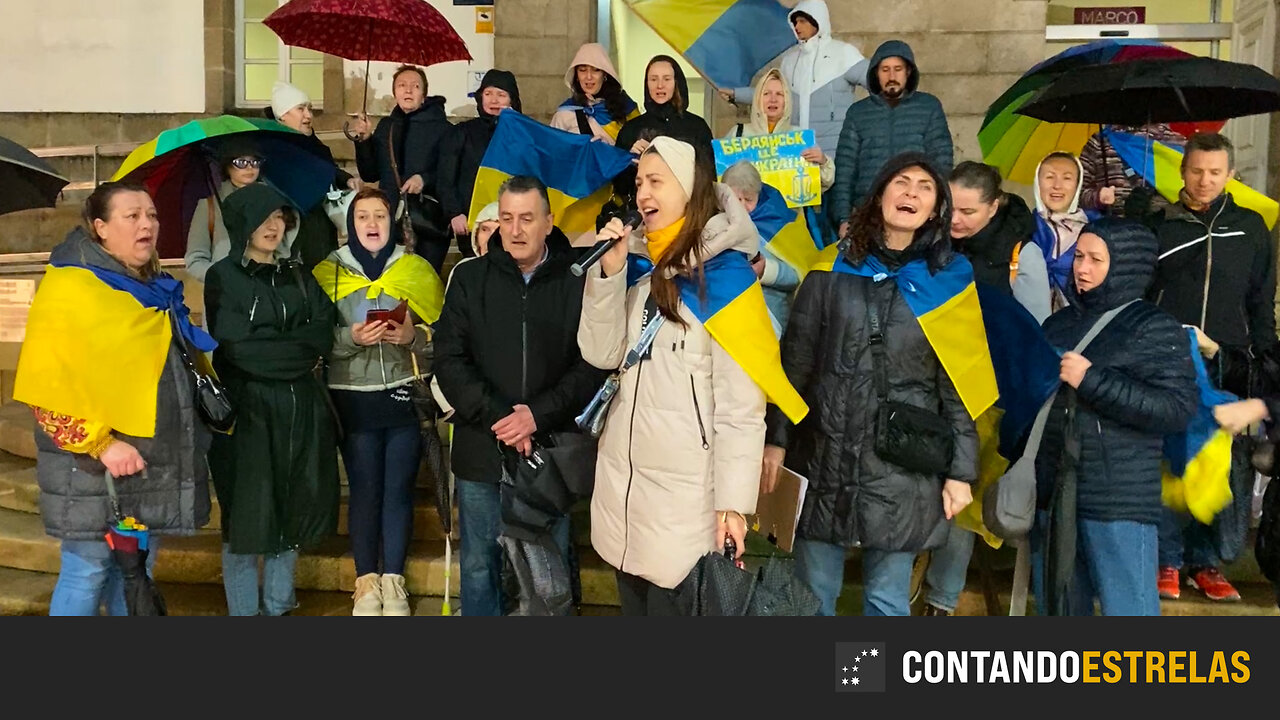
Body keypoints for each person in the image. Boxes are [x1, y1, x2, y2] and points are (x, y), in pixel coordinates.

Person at [762, 152, 977, 617]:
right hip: (825, 455)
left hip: (904, 464)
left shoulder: (950, 281)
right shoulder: (827, 271)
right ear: (879, 194)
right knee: (813, 596)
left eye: (925, 187)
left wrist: (961, 470)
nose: (911, 194)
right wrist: (775, 441)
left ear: (937, 207)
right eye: (901, 182)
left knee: (886, 600)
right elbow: (796, 362)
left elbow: (959, 383)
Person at [580, 137, 773, 615]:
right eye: (640, 182)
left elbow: (742, 410)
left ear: (688, 190)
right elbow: (602, 353)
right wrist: (607, 275)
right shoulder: (646, 274)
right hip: (624, 501)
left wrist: (733, 506)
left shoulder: (727, 281)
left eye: (656, 181)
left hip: (685, 512)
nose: (643, 192)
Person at [13, 181, 213, 615]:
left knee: (136, 574)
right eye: (133, 216)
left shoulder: (155, 287)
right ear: (100, 228)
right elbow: (45, 388)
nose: (148, 224)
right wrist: (103, 444)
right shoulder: (71, 289)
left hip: (151, 461)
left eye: (153, 215)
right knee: (86, 573)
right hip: (92, 467)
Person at [433, 176, 607, 616]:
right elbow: (450, 361)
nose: (515, 230)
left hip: (548, 454)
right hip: (481, 448)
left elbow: (591, 364)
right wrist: (504, 419)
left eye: (527, 219)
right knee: (479, 565)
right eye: (506, 218)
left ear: (548, 222)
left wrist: (538, 416)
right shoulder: (469, 278)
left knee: (545, 569)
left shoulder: (576, 279)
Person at [1032, 219, 1197, 616]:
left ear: (1125, 266)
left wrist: (1092, 380)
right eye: (1079, 257)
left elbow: (1176, 408)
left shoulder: (1154, 327)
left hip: (1117, 500)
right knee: (1059, 611)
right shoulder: (1059, 324)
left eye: (1096, 260)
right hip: (1056, 493)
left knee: (1129, 614)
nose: (1081, 268)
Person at [913, 161, 1052, 617]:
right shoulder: (930, 243)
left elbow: (1032, 334)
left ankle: (941, 599)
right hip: (929, 382)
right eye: (951, 207)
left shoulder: (1020, 253)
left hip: (987, 395)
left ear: (995, 207)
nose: (956, 219)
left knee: (961, 502)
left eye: (969, 211)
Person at [1147, 133, 1276, 604]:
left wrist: (1265, 363)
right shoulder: (1158, 223)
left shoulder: (1252, 227)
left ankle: (1207, 562)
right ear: (1182, 171)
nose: (1205, 181)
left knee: (1219, 464)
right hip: (1168, 359)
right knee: (1171, 458)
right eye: (1197, 171)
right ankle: (1167, 558)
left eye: (1215, 173)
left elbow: (1262, 303)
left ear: (1231, 175)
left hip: (1229, 361)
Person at [204, 183, 339, 616]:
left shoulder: (300, 274)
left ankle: (279, 606)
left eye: (280, 217)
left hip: (301, 411)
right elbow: (237, 349)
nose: (273, 226)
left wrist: (283, 349)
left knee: (292, 510)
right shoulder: (223, 276)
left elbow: (322, 334)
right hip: (248, 417)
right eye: (264, 217)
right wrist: (295, 353)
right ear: (243, 222)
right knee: (245, 520)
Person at [313, 187, 445, 616]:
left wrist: (413, 337)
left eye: (380, 217)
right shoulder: (327, 273)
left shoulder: (416, 269)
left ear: (393, 223)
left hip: (406, 394)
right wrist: (349, 339)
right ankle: (366, 582)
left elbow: (444, 335)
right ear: (349, 225)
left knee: (399, 490)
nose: (372, 224)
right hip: (353, 397)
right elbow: (313, 340)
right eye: (363, 217)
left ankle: (395, 581)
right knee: (366, 490)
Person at [831, 40, 953, 236]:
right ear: (875, 73)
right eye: (885, 70)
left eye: (898, 69)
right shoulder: (858, 112)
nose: (892, 76)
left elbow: (942, 162)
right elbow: (845, 169)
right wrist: (844, 218)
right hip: (868, 212)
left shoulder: (929, 107)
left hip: (915, 210)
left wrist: (937, 208)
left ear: (908, 72)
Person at [719, 0, 867, 159]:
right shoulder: (789, 60)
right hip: (796, 156)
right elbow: (771, 93)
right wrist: (736, 93)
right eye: (795, 22)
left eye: (802, 21)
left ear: (817, 21)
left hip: (835, 154)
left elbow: (879, 82)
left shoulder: (844, 53)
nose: (797, 27)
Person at [346, 64, 453, 271]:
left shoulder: (443, 129)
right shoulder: (387, 126)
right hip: (391, 219)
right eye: (402, 85)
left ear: (424, 95)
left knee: (425, 281)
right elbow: (370, 173)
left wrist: (424, 179)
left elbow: (449, 171)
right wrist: (365, 140)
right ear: (394, 93)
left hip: (427, 220)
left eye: (415, 86)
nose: (408, 90)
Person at [267, 80, 361, 269]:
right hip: (293, 233)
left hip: (321, 230)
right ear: (283, 115)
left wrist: (346, 179)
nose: (308, 115)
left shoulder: (313, 143)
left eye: (309, 108)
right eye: (301, 109)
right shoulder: (271, 148)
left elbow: (326, 168)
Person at [438, 70, 521, 258]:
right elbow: (445, 177)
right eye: (488, 94)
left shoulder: (523, 135)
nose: (494, 100)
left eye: (501, 95)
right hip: (471, 223)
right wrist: (454, 213)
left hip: (513, 224)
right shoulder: (462, 132)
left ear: (512, 101)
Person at [611, 55, 715, 203]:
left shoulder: (697, 126)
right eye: (653, 79)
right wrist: (630, 162)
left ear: (677, 83)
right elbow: (620, 187)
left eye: (666, 79)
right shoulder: (632, 129)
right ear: (647, 84)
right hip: (646, 214)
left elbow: (709, 178)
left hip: (690, 214)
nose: (660, 85)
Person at [720, 160, 802, 336]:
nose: (742, 206)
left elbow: (799, 275)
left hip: (773, 322)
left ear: (759, 194)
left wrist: (766, 270)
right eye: (734, 199)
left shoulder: (781, 221)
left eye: (748, 199)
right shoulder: (714, 223)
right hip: (731, 322)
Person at [722, 68, 835, 190]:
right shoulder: (738, 134)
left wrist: (823, 162)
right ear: (757, 98)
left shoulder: (800, 137)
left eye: (779, 94)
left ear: (787, 100)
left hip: (790, 209)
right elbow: (721, 181)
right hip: (746, 208)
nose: (773, 99)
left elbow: (824, 183)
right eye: (766, 93)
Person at [185, 140, 262, 283]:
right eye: (241, 162)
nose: (249, 168)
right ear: (227, 166)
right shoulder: (209, 205)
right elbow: (195, 259)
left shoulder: (271, 201)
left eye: (255, 162)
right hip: (226, 295)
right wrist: (221, 277)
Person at [1031, 152, 1095, 312]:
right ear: (1037, 183)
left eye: (1067, 178)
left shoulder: (1095, 228)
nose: (1057, 185)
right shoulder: (1022, 226)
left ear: (1078, 184)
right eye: (1049, 177)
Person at [1079, 123, 1186, 217]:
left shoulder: (1178, 143)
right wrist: (1098, 197)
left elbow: (1192, 195)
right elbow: (1076, 195)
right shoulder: (1100, 141)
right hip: (1114, 230)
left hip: (1166, 229)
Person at [549, 43, 639, 144]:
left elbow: (639, 149)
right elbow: (554, 150)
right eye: (582, 70)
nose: (589, 76)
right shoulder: (565, 113)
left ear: (605, 74)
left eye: (596, 70)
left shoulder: (626, 107)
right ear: (576, 76)